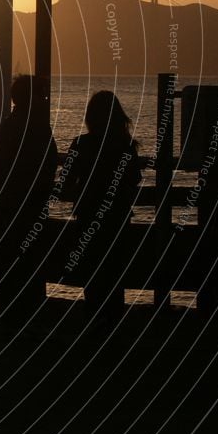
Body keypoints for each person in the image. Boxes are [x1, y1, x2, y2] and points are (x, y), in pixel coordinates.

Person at [63, 91, 141, 324]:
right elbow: (134, 177)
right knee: (115, 273)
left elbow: (67, 180)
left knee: (92, 272)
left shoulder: (81, 144)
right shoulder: (126, 146)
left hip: (88, 215)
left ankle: (94, 320)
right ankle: (113, 322)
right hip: (117, 217)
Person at [0, 75, 57, 316]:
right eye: (42, 95)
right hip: (31, 206)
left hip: (9, 207)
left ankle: (10, 310)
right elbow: (48, 164)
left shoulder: (9, 125)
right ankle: (28, 310)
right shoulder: (38, 127)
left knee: (12, 259)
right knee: (30, 260)